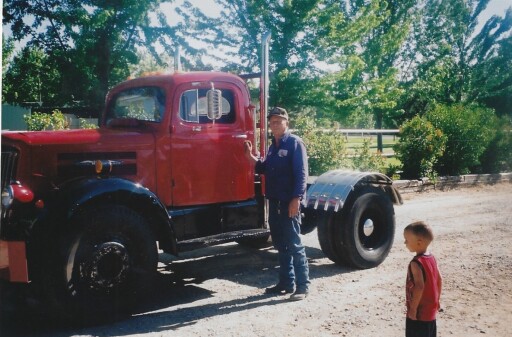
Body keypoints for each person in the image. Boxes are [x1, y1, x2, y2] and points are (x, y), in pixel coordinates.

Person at [244, 106, 310, 301]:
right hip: (274, 202)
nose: (275, 125)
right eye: (272, 122)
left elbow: (301, 174)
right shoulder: (274, 146)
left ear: (286, 123)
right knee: (281, 245)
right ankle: (286, 282)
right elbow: (264, 167)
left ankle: (303, 286)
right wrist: (250, 157)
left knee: (294, 244)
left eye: (278, 121)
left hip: (288, 201)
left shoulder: (294, 143)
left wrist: (296, 198)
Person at [403, 221, 443, 337]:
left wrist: (413, 309)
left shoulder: (416, 263)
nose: (405, 243)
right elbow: (439, 279)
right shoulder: (431, 258)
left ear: (419, 242)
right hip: (430, 313)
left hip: (419, 315)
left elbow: (419, 286)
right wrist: (437, 300)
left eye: (407, 240)